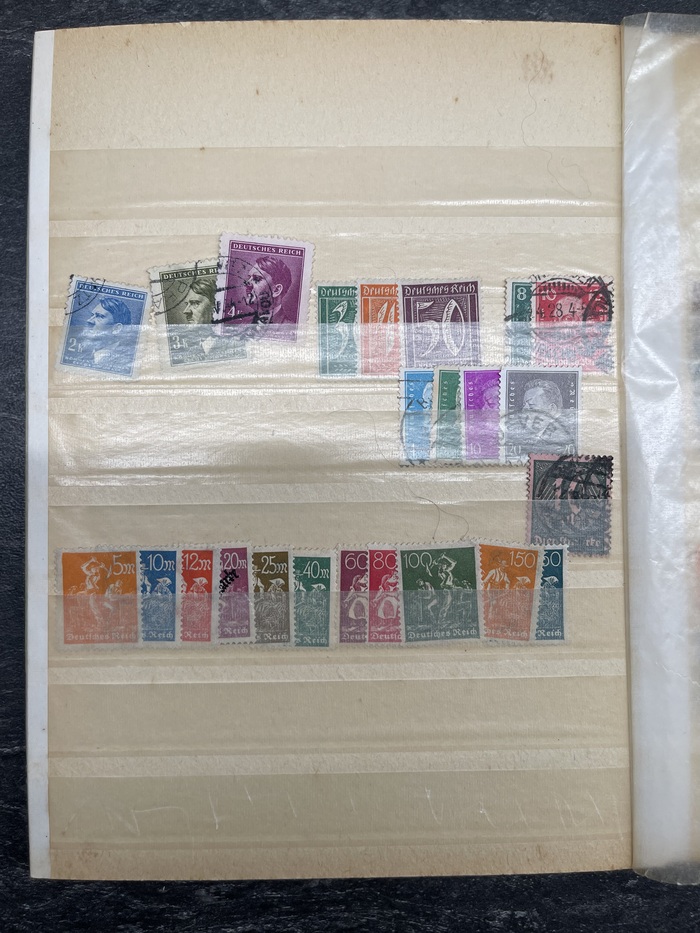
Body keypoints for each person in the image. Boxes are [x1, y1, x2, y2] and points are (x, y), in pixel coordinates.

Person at [81, 297, 132, 368]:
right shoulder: (85, 352)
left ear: (117, 328)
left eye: (99, 316)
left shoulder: (125, 361)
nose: (89, 320)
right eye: (92, 315)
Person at [243, 256, 294, 326]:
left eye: (257, 279)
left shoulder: (291, 329)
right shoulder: (242, 326)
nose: (246, 283)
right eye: (249, 278)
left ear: (276, 290)